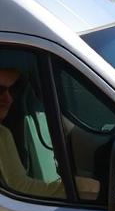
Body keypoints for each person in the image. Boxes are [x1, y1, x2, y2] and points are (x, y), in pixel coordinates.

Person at [0, 68, 99, 200]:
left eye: (12, 90)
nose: (9, 99)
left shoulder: (3, 133)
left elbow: (19, 186)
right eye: (0, 90)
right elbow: (19, 189)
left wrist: (86, 188)